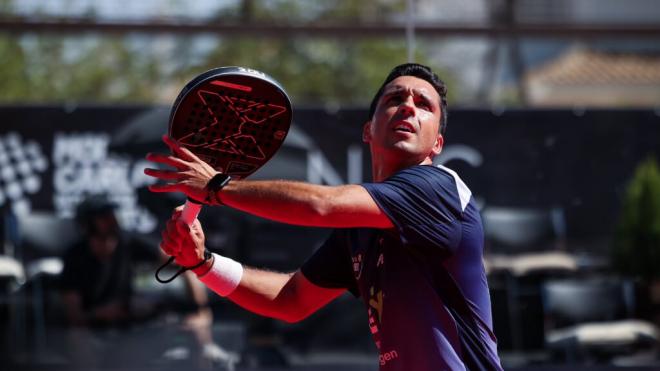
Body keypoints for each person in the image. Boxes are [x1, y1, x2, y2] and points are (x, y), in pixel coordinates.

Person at [145, 63, 503, 370]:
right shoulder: (360, 229)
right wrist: (203, 263)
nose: (408, 107)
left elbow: (321, 205)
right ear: (368, 130)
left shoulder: (438, 188)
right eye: (395, 99)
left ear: (437, 145)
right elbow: (291, 298)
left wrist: (218, 187)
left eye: (424, 104)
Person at [59, 196, 233, 368]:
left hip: (131, 325)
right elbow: (75, 315)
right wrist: (100, 314)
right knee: (77, 339)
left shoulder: (127, 242)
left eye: (111, 213)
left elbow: (183, 261)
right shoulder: (75, 257)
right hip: (93, 328)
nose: (112, 219)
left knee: (194, 328)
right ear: (88, 223)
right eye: (104, 215)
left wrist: (200, 310)